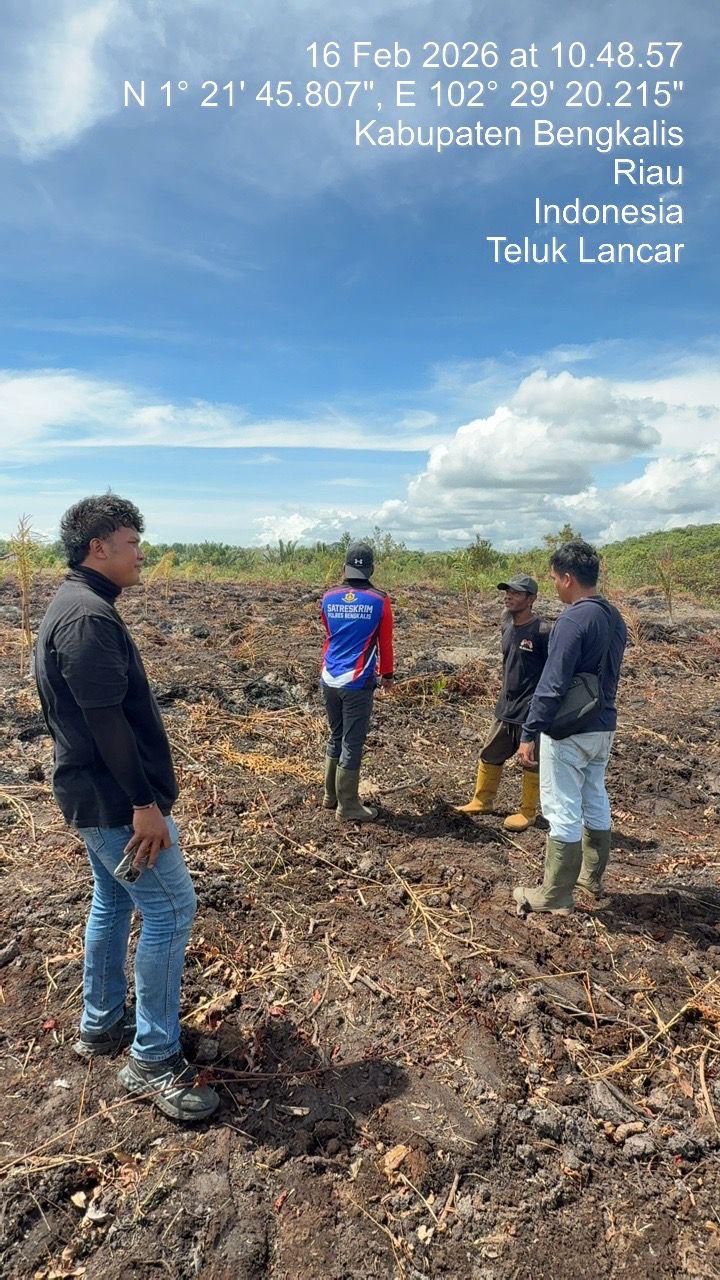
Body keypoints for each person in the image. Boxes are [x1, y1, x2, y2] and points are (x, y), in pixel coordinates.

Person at [35, 495, 219, 1122]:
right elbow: (105, 721)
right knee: (171, 909)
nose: (141, 554)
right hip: (117, 803)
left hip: (94, 795)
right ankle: (153, 1058)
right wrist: (144, 804)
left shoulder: (76, 604)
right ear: (99, 548)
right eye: (133, 543)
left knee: (113, 900)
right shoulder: (87, 618)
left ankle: (101, 1022)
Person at [513, 540, 627, 916]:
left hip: (569, 729)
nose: (554, 586)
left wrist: (530, 732)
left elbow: (553, 683)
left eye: (554, 579)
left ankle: (555, 894)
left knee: (561, 805)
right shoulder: (614, 617)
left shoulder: (573, 619)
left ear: (567, 578)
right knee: (594, 795)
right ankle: (590, 878)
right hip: (603, 724)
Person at [455, 574, 551, 831]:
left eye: (516, 593)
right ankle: (482, 801)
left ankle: (528, 812)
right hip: (506, 706)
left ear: (531, 599)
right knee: (489, 753)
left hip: (531, 710)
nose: (508, 597)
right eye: (507, 592)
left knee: (531, 761)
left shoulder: (543, 631)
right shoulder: (506, 623)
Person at [320, 541, 394, 821]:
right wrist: (387, 674)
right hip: (357, 680)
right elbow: (385, 642)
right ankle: (348, 805)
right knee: (352, 741)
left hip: (329, 677)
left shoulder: (328, 597)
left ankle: (330, 796)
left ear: (344, 568)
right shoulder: (379, 600)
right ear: (372, 569)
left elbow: (329, 633)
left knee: (336, 735)